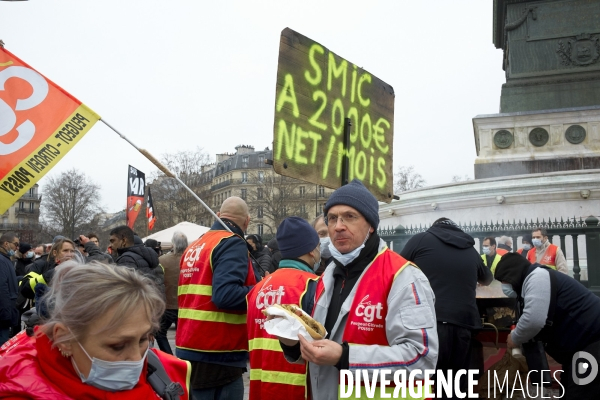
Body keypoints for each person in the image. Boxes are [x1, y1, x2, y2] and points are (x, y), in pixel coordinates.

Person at [278, 179, 438, 399]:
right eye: (332, 218)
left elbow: (421, 359)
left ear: (371, 225)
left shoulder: (404, 277)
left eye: (349, 217)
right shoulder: (326, 277)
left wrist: (345, 357)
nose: (338, 226)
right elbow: (321, 348)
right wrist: (294, 345)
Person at [0, 261, 191, 398]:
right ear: (65, 339)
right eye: (117, 346)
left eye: (143, 339)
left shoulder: (164, 371)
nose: (137, 359)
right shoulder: (18, 390)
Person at [401, 217, 493, 398]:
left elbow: (395, 267)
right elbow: (487, 279)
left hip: (429, 322)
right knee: (456, 384)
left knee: (427, 380)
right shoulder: (470, 249)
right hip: (463, 323)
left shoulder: (421, 239)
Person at [176, 196, 258, 400]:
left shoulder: (195, 246)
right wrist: (261, 290)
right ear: (247, 222)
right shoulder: (231, 243)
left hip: (188, 345)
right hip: (218, 350)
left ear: (219, 216)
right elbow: (226, 296)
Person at [496, 253, 600, 399]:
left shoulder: (537, 277)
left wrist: (515, 337)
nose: (505, 285)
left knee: (580, 393)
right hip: (580, 346)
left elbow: (534, 320)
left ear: (513, 274)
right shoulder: (531, 280)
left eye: (505, 281)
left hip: (592, 340)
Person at [247, 217, 320, 399]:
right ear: (311, 250)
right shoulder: (314, 286)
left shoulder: (258, 288)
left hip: (260, 388)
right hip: (297, 390)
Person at [156, 231, 188, 355]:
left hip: (168, 305)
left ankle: (170, 357)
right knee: (184, 334)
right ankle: (183, 358)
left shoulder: (162, 260)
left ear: (173, 244)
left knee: (160, 333)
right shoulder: (192, 260)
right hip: (185, 306)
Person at [109, 225, 165, 291]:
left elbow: (126, 291)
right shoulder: (148, 256)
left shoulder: (126, 259)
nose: (110, 245)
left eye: (113, 241)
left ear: (124, 241)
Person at [0, 232, 19, 346]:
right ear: (6, 244)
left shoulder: (6, 259)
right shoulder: (2, 260)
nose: (17, 248)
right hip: (3, 314)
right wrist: (6, 313)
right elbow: (2, 287)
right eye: (15, 244)